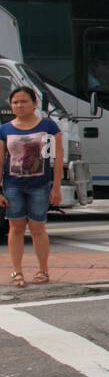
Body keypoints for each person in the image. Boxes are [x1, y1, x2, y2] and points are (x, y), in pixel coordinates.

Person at [1, 86, 62, 287]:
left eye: (24, 101)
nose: (20, 105)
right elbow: (0, 161)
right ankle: (17, 272)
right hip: (13, 185)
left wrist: (56, 187)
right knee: (15, 228)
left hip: (40, 185)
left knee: (38, 228)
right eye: (15, 102)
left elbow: (58, 158)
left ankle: (43, 270)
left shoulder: (48, 126)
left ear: (35, 103)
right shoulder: (5, 129)